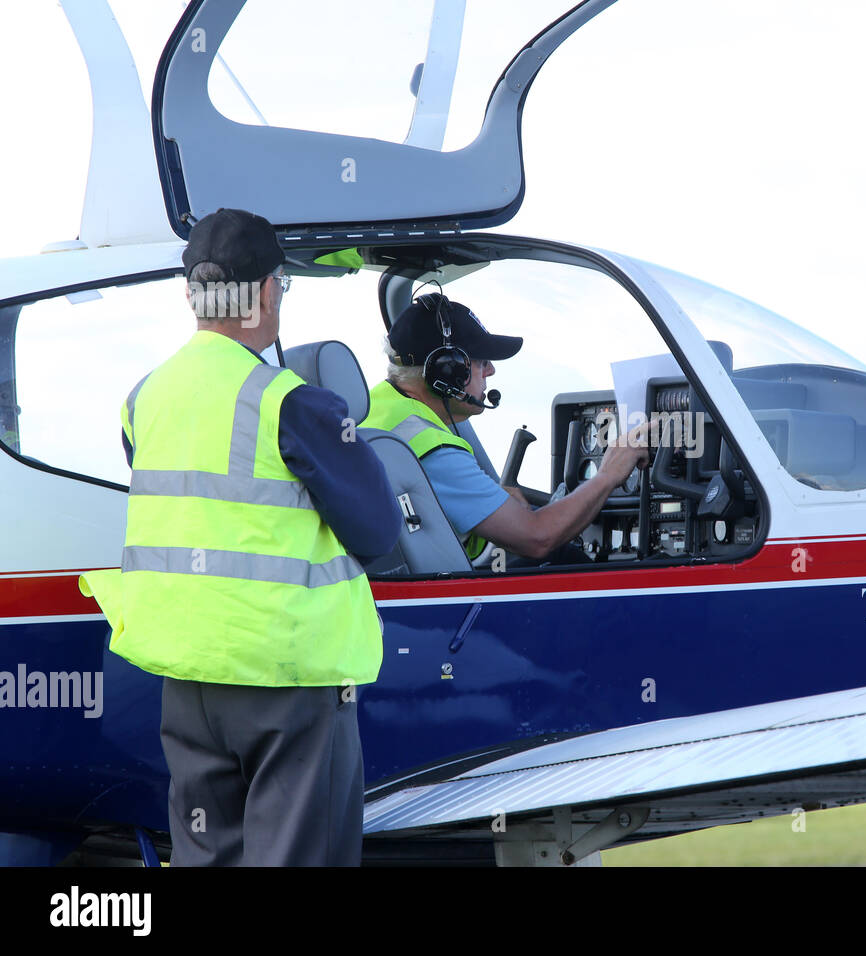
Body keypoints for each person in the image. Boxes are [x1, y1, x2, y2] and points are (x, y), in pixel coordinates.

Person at [80, 208, 401, 866]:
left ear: (192, 295)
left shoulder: (145, 399)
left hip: (188, 677)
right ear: (265, 292)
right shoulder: (293, 403)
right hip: (285, 675)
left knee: (207, 854)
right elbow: (377, 531)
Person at [361, 293, 648, 564]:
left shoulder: (374, 408)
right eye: (481, 362)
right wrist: (609, 474)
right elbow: (538, 538)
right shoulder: (430, 444)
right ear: (448, 370)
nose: (491, 371)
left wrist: (493, 504)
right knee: (565, 558)